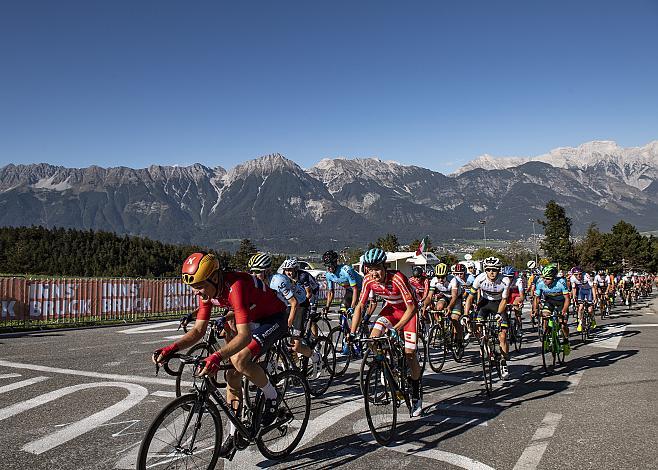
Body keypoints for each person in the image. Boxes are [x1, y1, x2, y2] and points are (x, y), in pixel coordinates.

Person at [152, 252, 288, 456]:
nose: (196, 293)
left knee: (239, 359)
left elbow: (243, 336)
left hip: (273, 317)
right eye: (193, 287)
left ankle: (272, 395)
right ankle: (234, 434)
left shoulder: (236, 286)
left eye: (199, 286)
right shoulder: (208, 291)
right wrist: (171, 348)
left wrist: (216, 357)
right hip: (253, 316)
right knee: (232, 375)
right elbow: (198, 330)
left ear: (215, 278)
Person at [349, 248, 423, 417]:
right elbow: (360, 306)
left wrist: (396, 329)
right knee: (372, 339)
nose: (374, 273)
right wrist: (352, 332)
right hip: (391, 311)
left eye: (377, 268)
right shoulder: (368, 280)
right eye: (370, 268)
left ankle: (416, 393)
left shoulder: (397, 278)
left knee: (410, 354)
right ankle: (386, 365)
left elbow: (412, 307)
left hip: (408, 313)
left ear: (385, 266)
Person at [250, 254, 321, 376]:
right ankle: (283, 365)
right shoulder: (259, 283)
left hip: (300, 305)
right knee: (272, 336)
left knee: (295, 346)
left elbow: (294, 303)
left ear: (267, 271)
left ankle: (315, 357)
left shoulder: (278, 281)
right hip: (283, 306)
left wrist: (288, 323)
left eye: (257, 271)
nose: (254, 275)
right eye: (252, 271)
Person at [463, 257, 511, 378]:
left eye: (494, 270)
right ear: (485, 270)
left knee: (503, 335)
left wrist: (499, 314)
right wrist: (465, 314)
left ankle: (503, 362)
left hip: (499, 303)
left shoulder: (505, 280)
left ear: (499, 270)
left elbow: (504, 300)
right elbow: (470, 297)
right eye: (488, 269)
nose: (491, 272)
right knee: (477, 324)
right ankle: (484, 343)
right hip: (484, 303)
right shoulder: (479, 279)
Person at [534, 264, 571, 355]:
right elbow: (537, 298)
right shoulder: (540, 282)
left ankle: (566, 340)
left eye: (548, 278)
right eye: (544, 278)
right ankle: (547, 337)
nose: (545, 280)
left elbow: (567, 299)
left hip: (561, 303)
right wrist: (535, 309)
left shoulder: (561, 282)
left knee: (563, 324)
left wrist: (564, 311)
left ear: (554, 278)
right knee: (545, 317)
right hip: (549, 302)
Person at [322, 249, 363, 315]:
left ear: (335, 263)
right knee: (343, 308)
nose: (328, 268)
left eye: (330, 265)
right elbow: (331, 292)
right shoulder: (328, 275)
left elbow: (355, 289)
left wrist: (352, 306)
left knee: (357, 312)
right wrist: (327, 307)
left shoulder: (346, 270)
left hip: (361, 289)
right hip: (350, 290)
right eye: (326, 266)